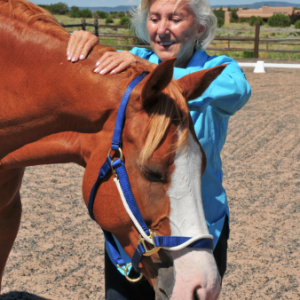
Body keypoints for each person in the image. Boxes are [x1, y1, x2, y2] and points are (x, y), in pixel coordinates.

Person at [67, 0, 251, 299]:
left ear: (200, 27)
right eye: (154, 19)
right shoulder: (130, 59)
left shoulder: (218, 68)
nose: (162, 29)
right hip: (137, 228)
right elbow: (80, 76)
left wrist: (149, 72)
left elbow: (238, 90)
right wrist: (81, 43)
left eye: (175, 18)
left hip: (200, 225)